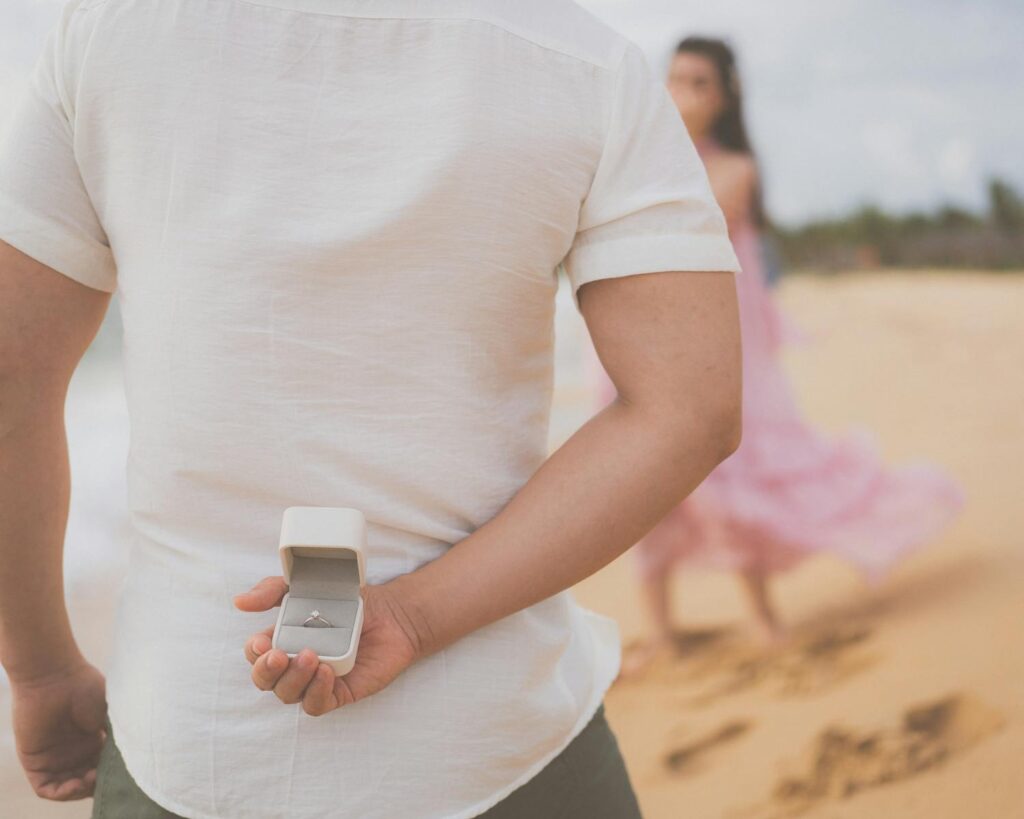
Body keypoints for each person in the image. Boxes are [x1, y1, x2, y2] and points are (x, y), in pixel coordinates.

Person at [0, 3, 745, 818]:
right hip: (500, 739)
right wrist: (414, 619)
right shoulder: (584, 61)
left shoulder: (109, 29)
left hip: (193, 740)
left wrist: (38, 667)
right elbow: (689, 407)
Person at [584, 35, 966, 676]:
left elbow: (687, 222)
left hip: (715, 348)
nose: (684, 94)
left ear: (726, 95)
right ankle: (663, 631)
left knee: (733, 480)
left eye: (700, 83)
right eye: (675, 79)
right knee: (640, 485)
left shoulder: (732, 168)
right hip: (634, 341)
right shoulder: (637, 154)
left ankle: (763, 618)